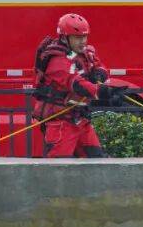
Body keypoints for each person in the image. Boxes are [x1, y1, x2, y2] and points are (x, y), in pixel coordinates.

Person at [32, 12, 118, 158]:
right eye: (78, 37)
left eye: (85, 36)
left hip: (81, 121)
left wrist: (100, 74)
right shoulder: (57, 60)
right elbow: (75, 83)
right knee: (58, 171)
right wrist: (101, 92)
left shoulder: (83, 53)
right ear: (65, 38)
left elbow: (99, 66)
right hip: (61, 124)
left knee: (96, 162)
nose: (83, 41)